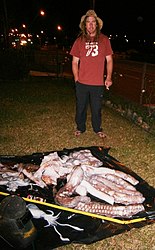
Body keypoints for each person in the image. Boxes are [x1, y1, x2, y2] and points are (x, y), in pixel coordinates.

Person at [70, 10, 113, 138]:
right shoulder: (79, 41)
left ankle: (97, 129)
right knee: (81, 107)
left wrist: (109, 77)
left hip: (97, 83)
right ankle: (80, 128)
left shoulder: (104, 40)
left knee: (96, 109)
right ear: (85, 25)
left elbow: (109, 60)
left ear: (97, 25)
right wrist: (77, 79)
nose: (91, 25)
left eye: (93, 22)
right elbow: (74, 62)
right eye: (88, 22)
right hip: (82, 82)